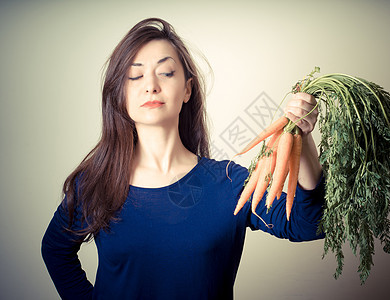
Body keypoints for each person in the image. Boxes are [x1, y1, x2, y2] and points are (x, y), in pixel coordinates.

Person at [41, 17, 325, 300]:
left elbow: (309, 223)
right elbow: (56, 250)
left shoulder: (229, 183)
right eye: (135, 76)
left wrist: (302, 137)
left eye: (165, 72)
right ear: (120, 95)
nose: (151, 85)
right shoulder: (96, 183)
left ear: (187, 89)